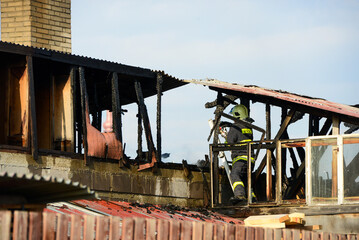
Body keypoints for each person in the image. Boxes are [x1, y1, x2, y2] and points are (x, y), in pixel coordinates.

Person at [226, 104, 255, 204]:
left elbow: (229, 142)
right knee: (246, 179)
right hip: (250, 159)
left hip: (240, 159)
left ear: (236, 115)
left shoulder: (235, 128)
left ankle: (239, 195)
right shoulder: (249, 127)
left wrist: (225, 136)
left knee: (234, 175)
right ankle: (252, 197)